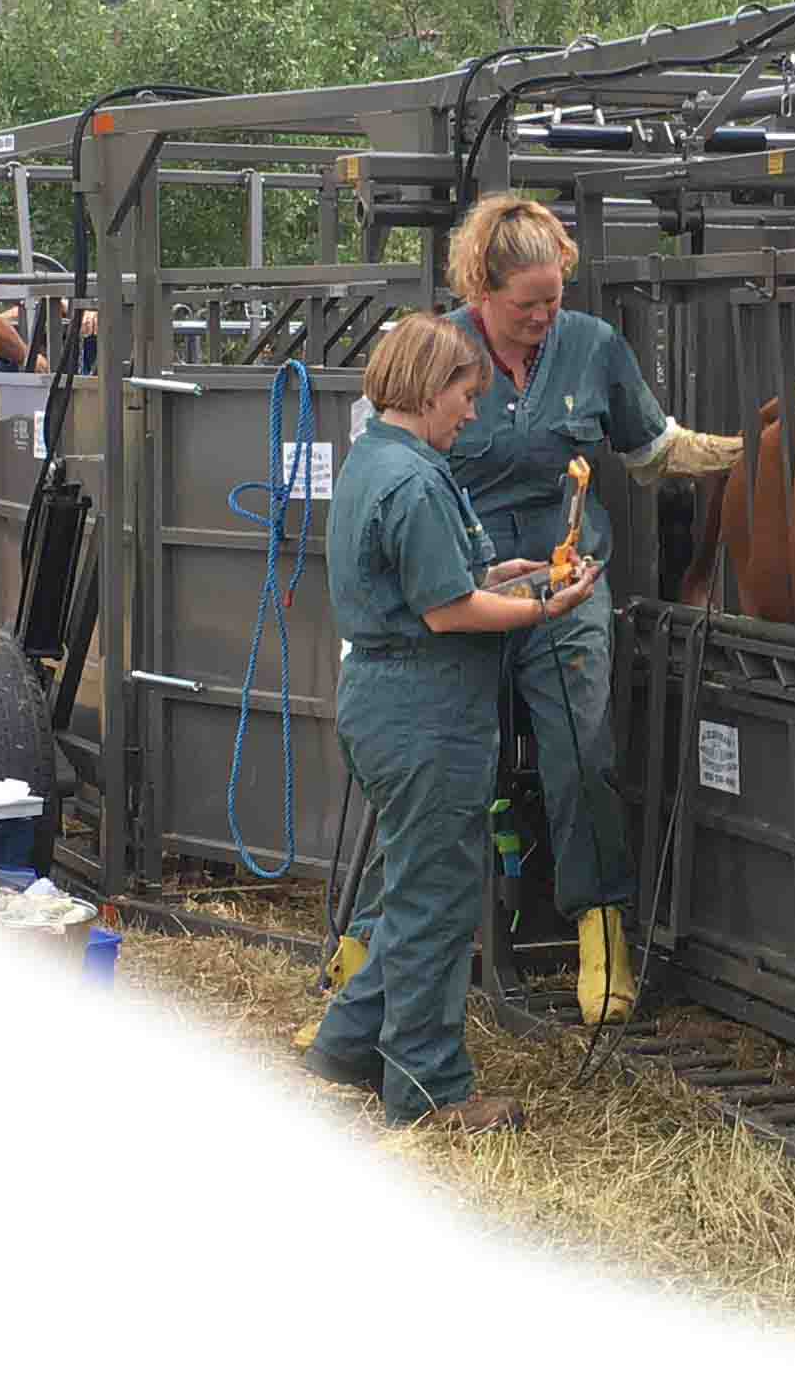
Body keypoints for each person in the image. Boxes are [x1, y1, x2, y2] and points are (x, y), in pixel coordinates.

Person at [445, 194, 743, 1025]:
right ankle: (400, 938)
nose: (544, 316)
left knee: (582, 751)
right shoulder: (438, 348)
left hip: (566, 578)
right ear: (482, 287)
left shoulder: (592, 347)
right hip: (463, 580)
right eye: (525, 304)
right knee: (448, 757)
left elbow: (650, 450)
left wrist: (744, 451)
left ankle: (600, 925)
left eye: (555, 299)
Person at [304, 311, 602, 1131]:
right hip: (426, 712)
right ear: (430, 391)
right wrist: (547, 605)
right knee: (436, 906)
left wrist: (515, 570)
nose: (472, 413)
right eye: (466, 396)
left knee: (414, 891)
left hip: (389, 702)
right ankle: (429, 1091)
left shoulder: (379, 461)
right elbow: (448, 611)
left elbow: (442, 577)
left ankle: (348, 1043)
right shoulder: (415, 480)